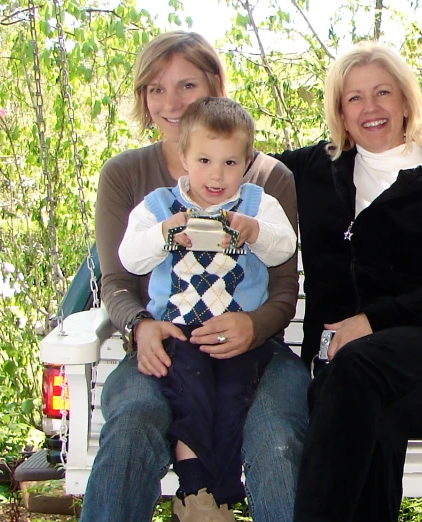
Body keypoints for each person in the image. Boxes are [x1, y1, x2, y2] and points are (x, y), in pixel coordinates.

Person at [86, 32, 310, 522]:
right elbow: (117, 277)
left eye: (186, 86)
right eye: (155, 89)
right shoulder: (127, 176)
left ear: (214, 87)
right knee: (132, 422)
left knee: (277, 433)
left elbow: (283, 285)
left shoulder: (265, 178)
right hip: (163, 340)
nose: (170, 103)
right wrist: (140, 326)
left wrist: (254, 325)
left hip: (251, 346)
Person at [272, 41, 422, 522]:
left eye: (382, 93)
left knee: (350, 370)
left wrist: (372, 321)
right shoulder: (311, 171)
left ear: (406, 101)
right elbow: (222, 160)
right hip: (350, 378)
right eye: (354, 98)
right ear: (341, 114)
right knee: (374, 419)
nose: (370, 108)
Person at [118, 97, 297, 521]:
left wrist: (255, 233)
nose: (217, 175)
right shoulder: (159, 207)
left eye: (230, 163)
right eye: (204, 160)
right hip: (179, 334)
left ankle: (215, 497)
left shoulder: (257, 205)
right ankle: (196, 490)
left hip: (238, 338)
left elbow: (284, 248)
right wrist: (163, 234)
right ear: (182, 157)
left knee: (234, 397)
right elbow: (129, 258)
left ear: (247, 162)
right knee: (191, 396)